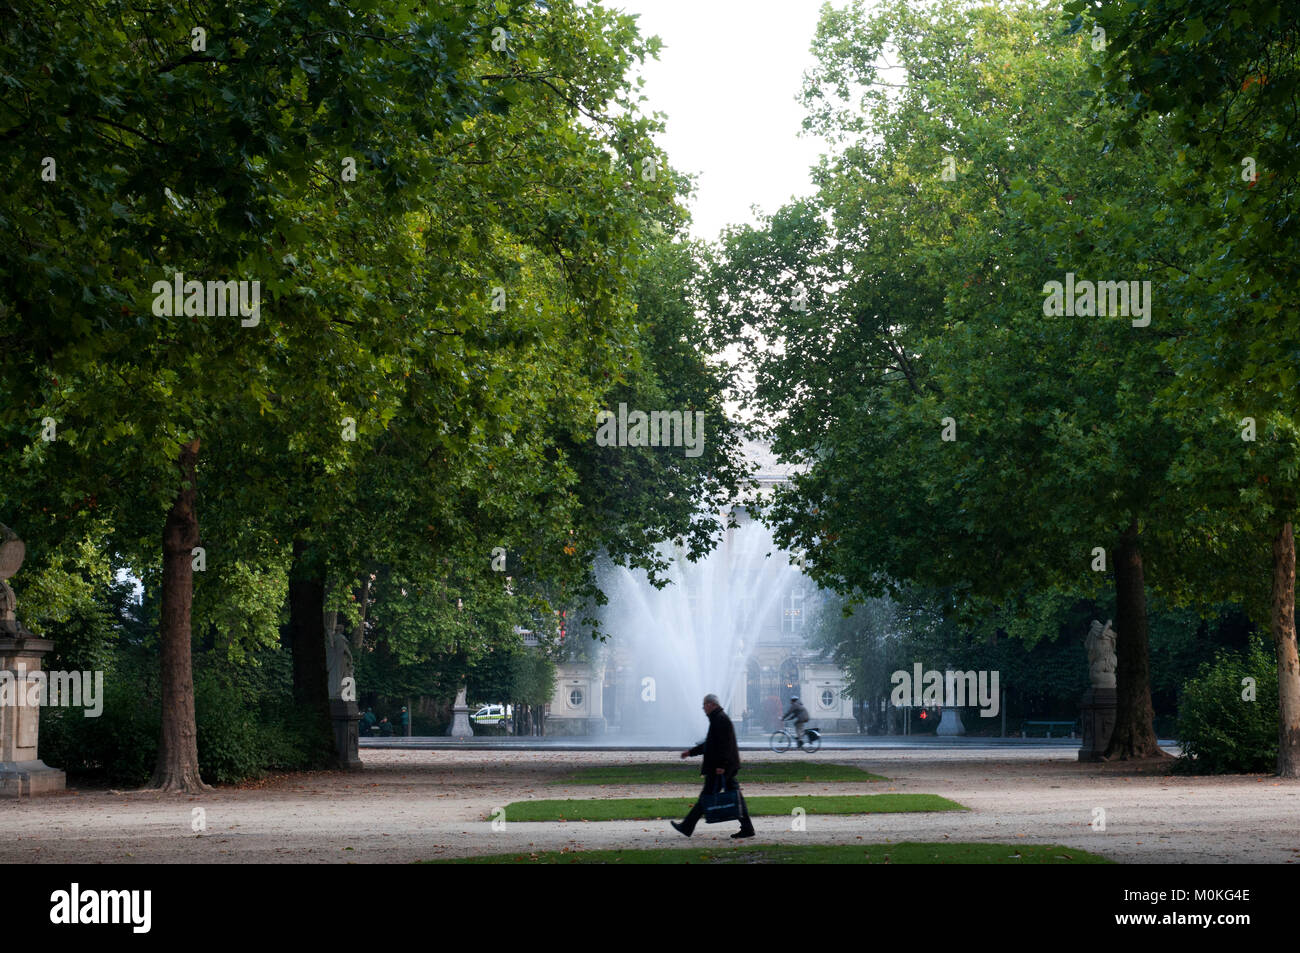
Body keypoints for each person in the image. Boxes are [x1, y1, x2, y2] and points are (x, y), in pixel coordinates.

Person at [671, 694, 755, 839]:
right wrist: (690, 752)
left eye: (704, 704)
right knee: (735, 797)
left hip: (721, 767)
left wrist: (722, 765)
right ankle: (747, 828)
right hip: (725, 766)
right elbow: (709, 745)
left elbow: (725, 745)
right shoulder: (718, 719)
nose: (703, 708)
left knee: (707, 796)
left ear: (712, 704)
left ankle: (687, 826)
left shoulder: (720, 719)